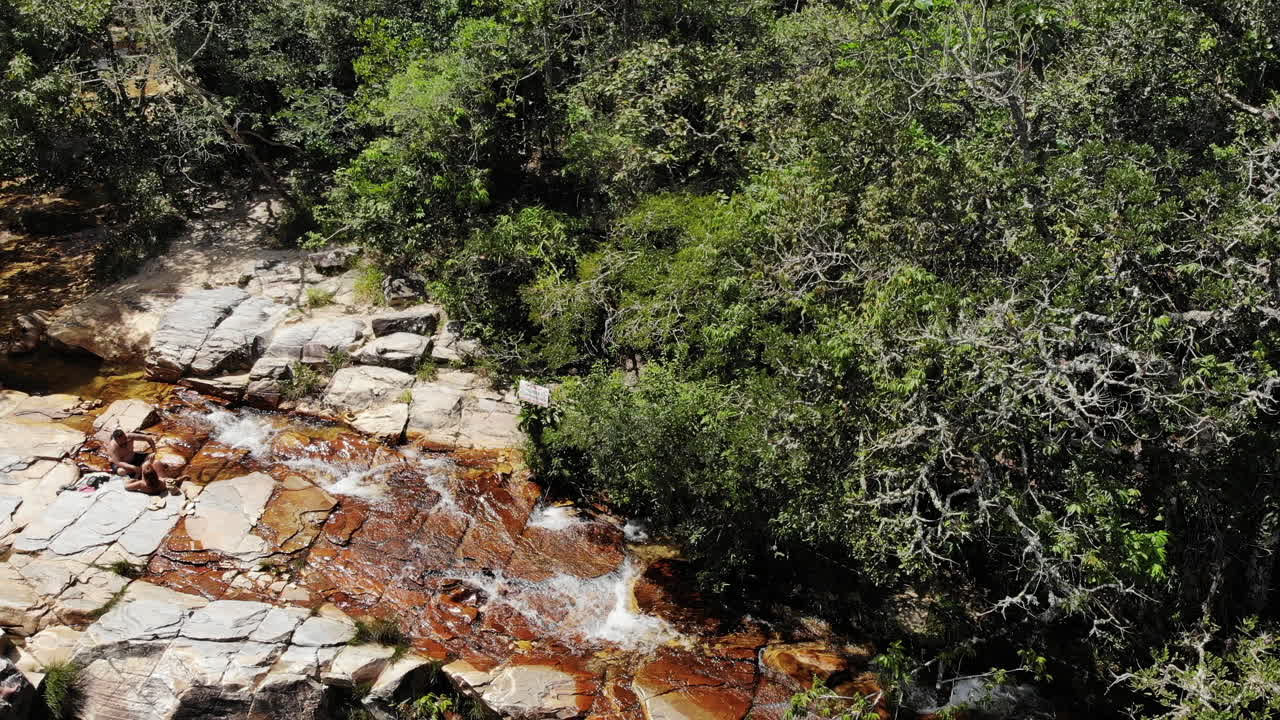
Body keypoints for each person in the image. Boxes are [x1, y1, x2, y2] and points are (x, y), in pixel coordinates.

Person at [104, 428, 158, 493]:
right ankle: (139, 470)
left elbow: (148, 438)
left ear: (125, 436)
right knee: (121, 471)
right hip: (122, 464)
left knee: (152, 456)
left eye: (125, 439)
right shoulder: (112, 447)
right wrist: (132, 467)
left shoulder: (130, 436)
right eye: (121, 442)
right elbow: (118, 462)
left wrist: (154, 451)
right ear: (116, 440)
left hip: (134, 457)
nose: (124, 442)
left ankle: (139, 469)